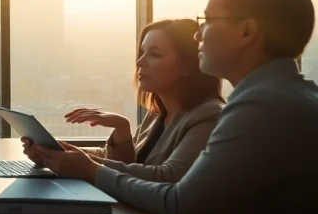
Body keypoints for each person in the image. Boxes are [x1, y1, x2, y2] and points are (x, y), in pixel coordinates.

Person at [25, 0, 318, 214]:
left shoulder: (260, 106)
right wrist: (81, 162)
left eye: (207, 21)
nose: (198, 36)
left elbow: (181, 202)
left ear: (247, 31)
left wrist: (92, 170)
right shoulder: (290, 95)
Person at [23, 19, 223, 182]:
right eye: (142, 52)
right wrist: (54, 153)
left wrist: (85, 163)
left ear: (188, 66)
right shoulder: (158, 113)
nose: (139, 62)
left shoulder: (208, 116)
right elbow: (131, 167)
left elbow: (168, 177)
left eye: (154, 54)